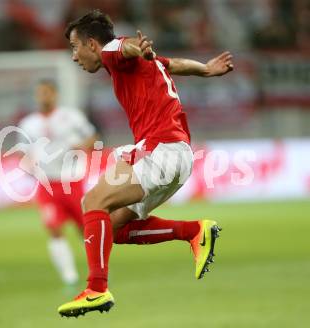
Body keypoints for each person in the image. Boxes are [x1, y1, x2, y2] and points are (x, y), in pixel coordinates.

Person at [58, 10, 233, 317]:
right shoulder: (140, 62)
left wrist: (135, 48)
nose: (74, 56)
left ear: (92, 44)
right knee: (110, 228)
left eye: (75, 47)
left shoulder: (114, 51)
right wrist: (205, 69)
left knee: (93, 201)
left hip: (160, 149)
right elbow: (175, 64)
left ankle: (96, 289)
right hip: (178, 156)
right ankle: (194, 231)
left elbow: (123, 47)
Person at [18, 80, 98, 287]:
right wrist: (28, 164)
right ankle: (69, 275)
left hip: (72, 180)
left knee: (84, 229)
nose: (44, 97)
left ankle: (97, 269)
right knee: (53, 228)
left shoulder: (72, 116)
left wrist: (80, 147)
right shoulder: (28, 124)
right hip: (47, 184)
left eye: (47, 93)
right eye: (40, 93)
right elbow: (23, 152)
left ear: (55, 94)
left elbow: (92, 138)